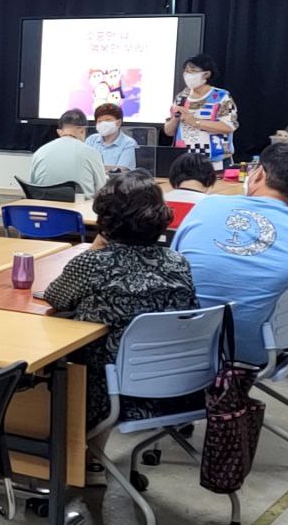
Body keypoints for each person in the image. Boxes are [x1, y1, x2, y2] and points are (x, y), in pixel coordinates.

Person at [43, 172, 200, 478]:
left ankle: (62, 460)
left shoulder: (92, 263)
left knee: (66, 358)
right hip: (177, 384)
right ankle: (90, 459)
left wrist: (97, 245)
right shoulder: (178, 262)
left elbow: (55, 298)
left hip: (109, 390)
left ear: (105, 219)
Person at [174, 142, 288, 362]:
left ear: (259, 173)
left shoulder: (207, 206)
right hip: (260, 351)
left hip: (183, 344)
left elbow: (175, 255)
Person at [163, 53, 237, 171]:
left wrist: (194, 121)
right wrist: (175, 119)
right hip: (185, 161)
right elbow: (169, 132)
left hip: (215, 162)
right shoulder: (182, 97)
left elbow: (229, 126)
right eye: (186, 71)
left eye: (192, 71)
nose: (188, 75)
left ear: (206, 74)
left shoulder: (221, 96)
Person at [28, 109, 108, 200]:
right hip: (80, 212)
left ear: (59, 132)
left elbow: (33, 188)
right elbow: (102, 192)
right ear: (83, 130)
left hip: (44, 211)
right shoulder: (92, 154)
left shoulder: (40, 152)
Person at [85, 103, 138, 172]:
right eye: (99, 121)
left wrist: (93, 167)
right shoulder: (91, 140)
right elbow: (82, 163)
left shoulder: (129, 143)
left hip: (116, 182)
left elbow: (121, 169)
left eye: (108, 120)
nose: (103, 124)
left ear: (118, 122)